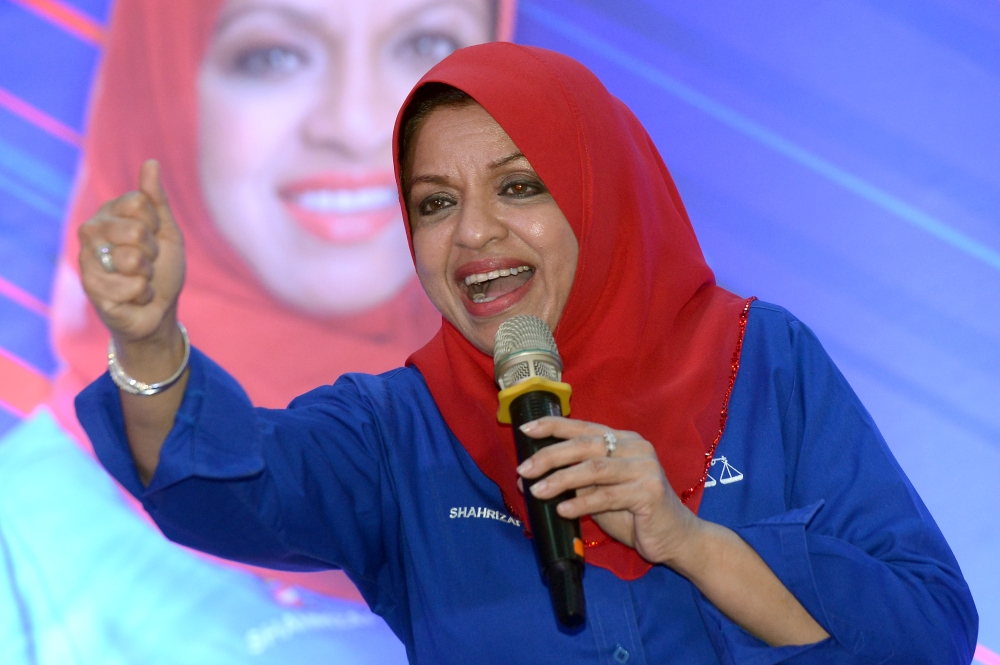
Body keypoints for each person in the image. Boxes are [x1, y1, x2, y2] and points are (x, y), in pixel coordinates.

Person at [74, 43, 978, 663]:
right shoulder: (397, 428)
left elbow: (926, 628)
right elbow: (220, 489)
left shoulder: (764, 358)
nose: (472, 234)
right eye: (433, 203)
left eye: (518, 185)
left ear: (600, 193)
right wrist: (148, 336)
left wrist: (691, 541)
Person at [0, 1, 511, 662]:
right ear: (165, 88)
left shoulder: (590, 464)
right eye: (274, 55)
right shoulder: (23, 555)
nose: (357, 125)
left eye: (425, 45)